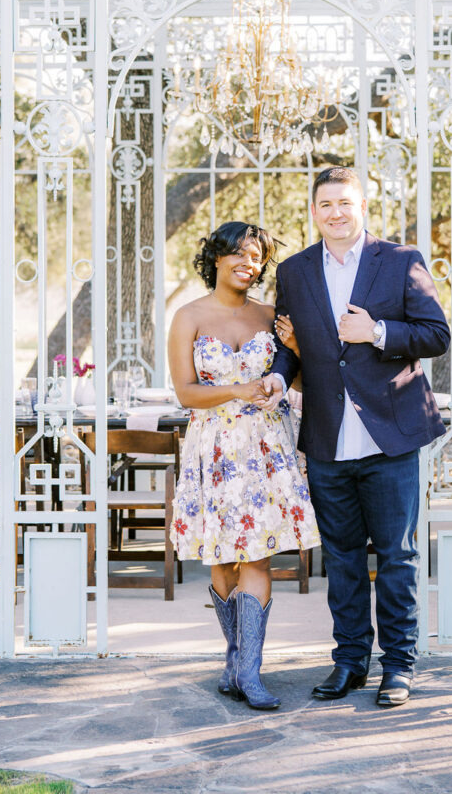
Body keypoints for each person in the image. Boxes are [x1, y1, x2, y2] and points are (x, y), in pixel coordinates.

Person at [265, 166, 450, 708]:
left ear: (362, 207)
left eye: (345, 202)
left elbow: (436, 334)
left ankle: (399, 667)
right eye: (326, 204)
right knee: (342, 559)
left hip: (389, 437)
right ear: (314, 211)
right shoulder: (294, 271)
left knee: (397, 557)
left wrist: (378, 332)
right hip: (326, 438)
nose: (336, 213)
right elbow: (288, 342)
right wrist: (278, 373)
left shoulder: (399, 261)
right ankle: (349, 662)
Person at [168, 221, 319, 711]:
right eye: (237, 253)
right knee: (220, 559)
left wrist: (294, 350)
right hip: (211, 450)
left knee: (257, 555)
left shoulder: (271, 316)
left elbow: (294, 381)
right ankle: (233, 659)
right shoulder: (188, 317)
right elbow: (185, 392)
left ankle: (251, 673)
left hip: (264, 448)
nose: (247, 263)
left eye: (256, 257)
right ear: (215, 257)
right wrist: (234, 389)